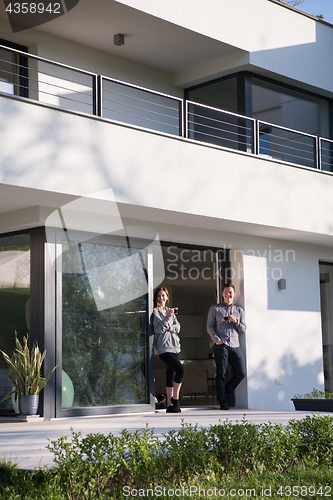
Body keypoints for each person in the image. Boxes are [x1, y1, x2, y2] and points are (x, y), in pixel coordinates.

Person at [206, 283, 246, 410]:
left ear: (234, 294)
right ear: (222, 294)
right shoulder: (215, 308)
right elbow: (209, 326)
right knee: (221, 374)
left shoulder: (239, 310)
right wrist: (216, 340)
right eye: (226, 292)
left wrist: (235, 321)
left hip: (234, 344)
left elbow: (243, 329)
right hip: (221, 345)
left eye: (230, 292)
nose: (228, 294)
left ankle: (224, 394)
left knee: (240, 373)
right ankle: (223, 402)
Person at [153, 286, 184, 413]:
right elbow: (158, 329)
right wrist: (167, 318)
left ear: (167, 297)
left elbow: (178, 328)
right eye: (159, 296)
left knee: (170, 375)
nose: (161, 298)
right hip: (164, 348)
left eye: (163, 295)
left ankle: (170, 405)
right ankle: (176, 400)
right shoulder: (155, 312)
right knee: (181, 370)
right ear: (156, 298)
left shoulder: (170, 310)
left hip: (175, 347)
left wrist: (169, 326)